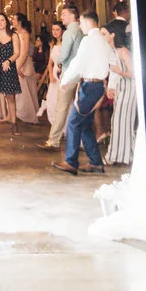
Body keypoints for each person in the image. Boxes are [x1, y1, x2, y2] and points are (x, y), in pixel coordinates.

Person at [53, 11, 116, 176]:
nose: (80, 26)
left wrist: (65, 80)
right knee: (85, 125)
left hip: (89, 86)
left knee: (73, 122)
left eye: (81, 23)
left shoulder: (88, 40)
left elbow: (77, 63)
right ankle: (96, 163)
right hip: (98, 86)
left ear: (88, 23)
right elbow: (113, 62)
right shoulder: (103, 40)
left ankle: (71, 162)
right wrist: (111, 84)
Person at [38, 2, 83, 152]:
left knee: (61, 108)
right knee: (77, 108)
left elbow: (64, 54)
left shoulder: (69, 32)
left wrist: (59, 62)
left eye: (64, 14)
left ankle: (54, 140)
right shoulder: (81, 31)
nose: (61, 17)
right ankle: (81, 141)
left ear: (72, 15)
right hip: (79, 74)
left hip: (68, 73)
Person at [103, 20, 138, 166]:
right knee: (119, 121)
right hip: (122, 88)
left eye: (104, 34)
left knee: (121, 121)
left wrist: (120, 72)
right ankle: (127, 154)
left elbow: (135, 73)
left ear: (113, 35)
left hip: (129, 89)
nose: (103, 37)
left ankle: (114, 155)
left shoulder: (123, 51)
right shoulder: (115, 51)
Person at [11, 12, 39, 123]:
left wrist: (18, 67)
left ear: (19, 22)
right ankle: (15, 113)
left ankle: (27, 114)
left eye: (14, 19)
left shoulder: (25, 34)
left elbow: (25, 52)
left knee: (24, 89)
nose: (12, 21)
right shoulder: (13, 34)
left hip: (23, 63)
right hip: (14, 61)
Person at [38, 20, 64, 124]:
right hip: (54, 73)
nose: (55, 32)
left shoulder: (65, 43)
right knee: (52, 100)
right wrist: (51, 76)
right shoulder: (52, 44)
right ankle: (55, 122)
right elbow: (50, 63)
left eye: (57, 29)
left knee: (62, 99)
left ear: (62, 31)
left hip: (62, 72)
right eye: (53, 30)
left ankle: (64, 124)